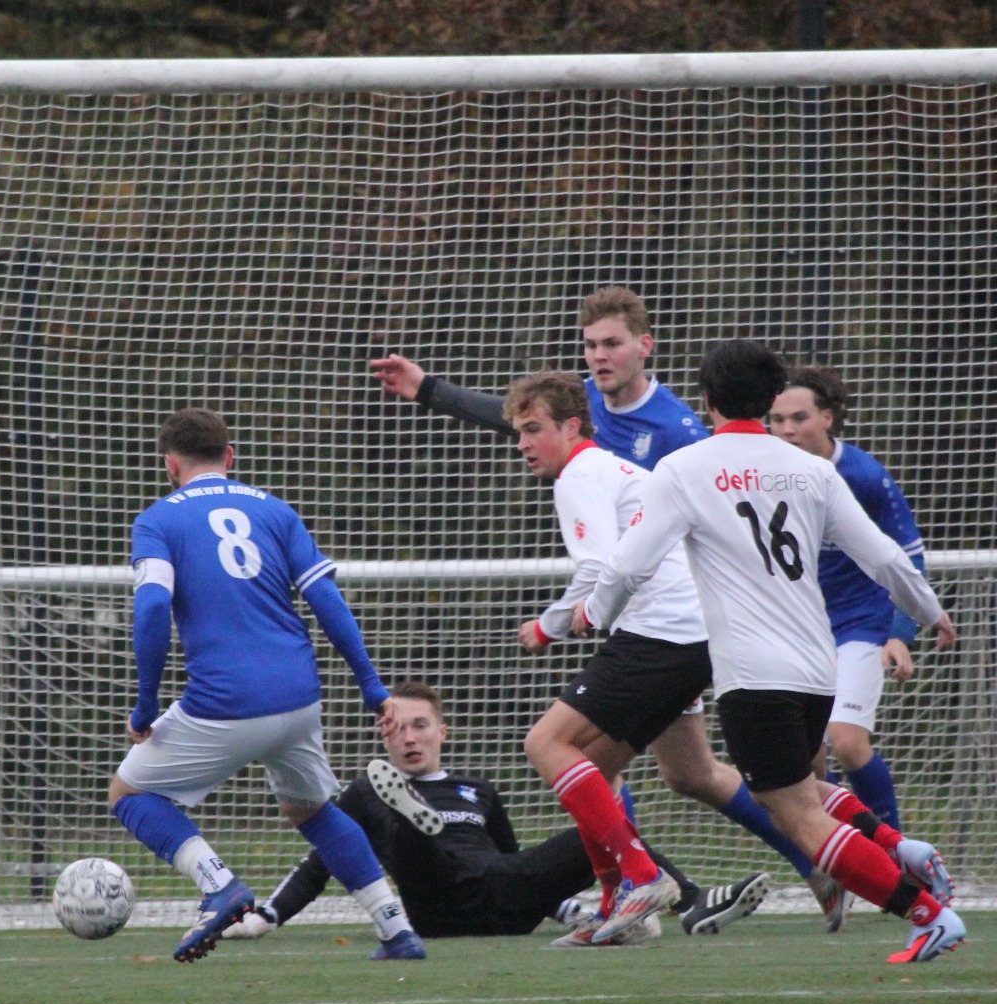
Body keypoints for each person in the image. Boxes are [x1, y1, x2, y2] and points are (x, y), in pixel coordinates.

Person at [371, 285, 838, 924]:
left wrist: (555, 623)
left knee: (577, 754)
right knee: (687, 772)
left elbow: (717, 522)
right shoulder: (583, 411)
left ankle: (647, 887)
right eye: (589, 346)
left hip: (672, 616)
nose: (598, 357)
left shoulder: (677, 432)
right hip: (651, 613)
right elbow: (519, 417)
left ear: (645, 347)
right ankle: (766, 871)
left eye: (612, 344)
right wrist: (431, 390)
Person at [573, 339, 965, 964]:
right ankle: (902, 846)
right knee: (800, 791)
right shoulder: (811, 470)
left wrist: (595, 613)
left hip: (754, 674)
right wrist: (928, 611)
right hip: (817, 667)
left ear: (706, 401)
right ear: (770, 400)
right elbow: (885, 556)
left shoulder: (687, 468)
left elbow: (629, 565)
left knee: (796, 817)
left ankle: (928, 914)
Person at [109, 407, 424, 963]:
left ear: (170, 465)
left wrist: (146, 703)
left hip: (225, 703)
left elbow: (154, 607)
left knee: (130, 794)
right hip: (300, 697)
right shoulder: (275, 510)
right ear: (230, 458)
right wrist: (373, 688)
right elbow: (325, 598)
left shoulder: (157, 520)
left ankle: (218, 884)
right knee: (311, 808)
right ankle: (396, 929)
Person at [506, 372, 772, 944]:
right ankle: (619, 909)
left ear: (571, 427)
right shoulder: (616, 469)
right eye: (518, 432)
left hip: (664, 633)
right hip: (696, 635)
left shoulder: (579, 475)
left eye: (533, 430)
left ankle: (643, 877)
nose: (523, 443)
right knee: (596, 769)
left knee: (544, 743)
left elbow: (599, 567)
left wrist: (545, 628)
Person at [222, 680, 766, 943]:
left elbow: (513, 859)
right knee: (371, 803)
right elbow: (319, 864)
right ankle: (412, 823)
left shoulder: (478, 790)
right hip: (433, 903)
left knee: (597, 831)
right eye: (396, 727)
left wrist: (566, 909)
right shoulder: (368, 789)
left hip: (501, 898)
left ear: (442, 731)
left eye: (420, 725)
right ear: (382, 736)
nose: (409, 737)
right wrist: (265, 917)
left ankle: (693, 901)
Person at [768, 366, 923, 832]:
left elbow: (909, 557)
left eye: (799, 418)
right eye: (776, 420)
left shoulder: (864, 477)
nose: (787, 430)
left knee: (848, 742)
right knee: (806, 765)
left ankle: (898, 855)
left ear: (828, 418)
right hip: (799, 630)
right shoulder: (765, 476)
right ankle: (845, 859)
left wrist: (901, 634)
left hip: (861, 624)